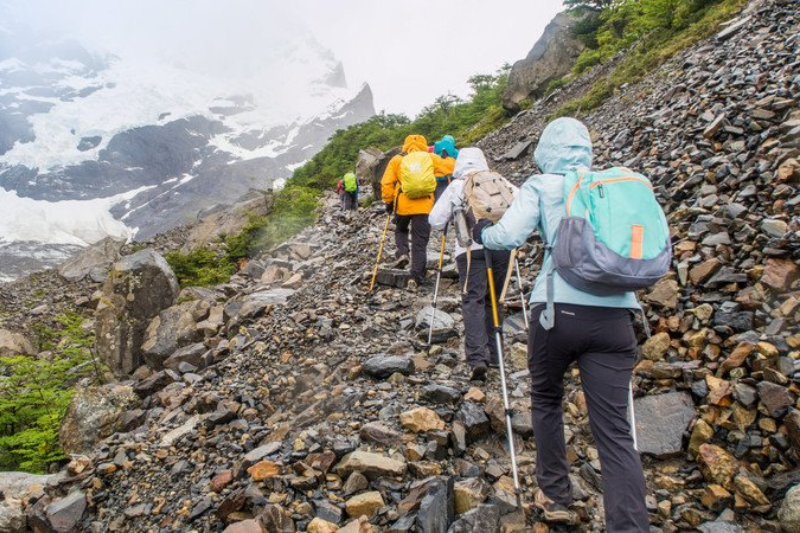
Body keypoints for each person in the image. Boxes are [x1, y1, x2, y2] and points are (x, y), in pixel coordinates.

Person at [474, 117, 649, 531]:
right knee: (616, 432)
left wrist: (483, 232)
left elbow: (509, 236)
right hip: (616, 316)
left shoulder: (543, 185)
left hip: (556, 311)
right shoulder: (612, 186)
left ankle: (556, 496)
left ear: (546, 149)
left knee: (547, 397)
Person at [429, 147, 512, 381]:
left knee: (473, 299)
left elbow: (435, 220)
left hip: (469, 250)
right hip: (501, 247)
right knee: (494, 298)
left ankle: (477, 357)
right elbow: (520, 202)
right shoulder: (498, 180)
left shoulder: (458, 185)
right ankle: (496, 354)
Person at [381, 134, 450, 291]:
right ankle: (416, 277)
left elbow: (386, 183)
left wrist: (389, 201)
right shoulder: (430, 157)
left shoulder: (397, 159)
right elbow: (450, 168)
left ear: (405, 145)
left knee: (401, 229)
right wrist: (446, 157)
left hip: (403, 205)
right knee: (419, 243)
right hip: (424, 206)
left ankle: (403, 253)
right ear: (423, 144)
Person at [433, 135, 458, 202]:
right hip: (454, 179)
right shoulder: (455, 152)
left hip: (440, 180)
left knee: (441, 200)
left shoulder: (437, 152)